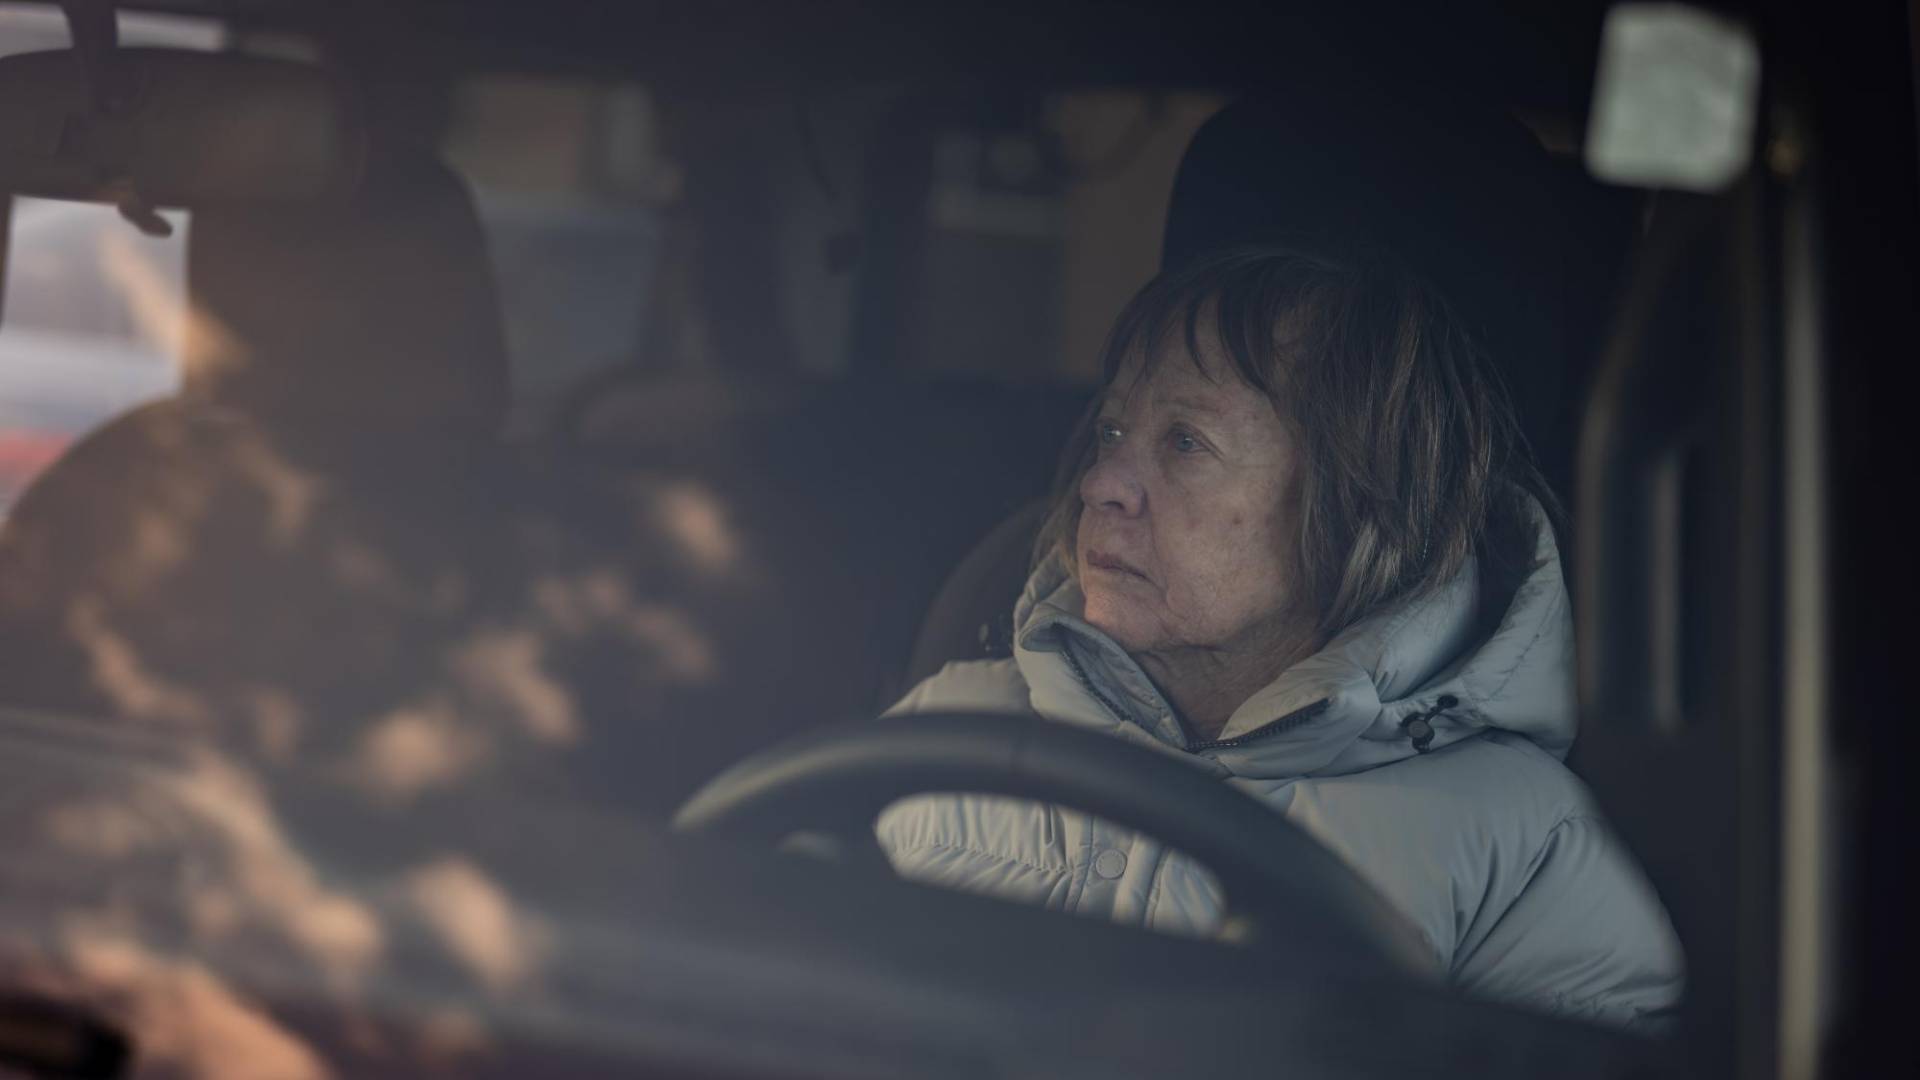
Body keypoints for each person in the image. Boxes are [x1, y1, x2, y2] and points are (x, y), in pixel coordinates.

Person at [877, 246, 1684, 1031]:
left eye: (1186, 441)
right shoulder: (944, 729)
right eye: (1113, 433)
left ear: (1357, 509)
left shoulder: (1524, 855)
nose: (1101, 484)